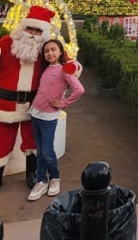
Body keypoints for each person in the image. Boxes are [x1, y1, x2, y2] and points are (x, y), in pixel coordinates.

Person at [0, 5, 65, 196]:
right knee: (0, 141)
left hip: (33, 106)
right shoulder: (7, 42)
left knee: (32, 143)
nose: (33, 34)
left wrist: (73, 68)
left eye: (37, 30)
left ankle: (31, 175)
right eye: (30, 29)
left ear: (43, 32)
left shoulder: (45, 49)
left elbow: (64, 64)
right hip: (4, 104)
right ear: (22, 28)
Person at [27, 40, 84, 202]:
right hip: (35, 113)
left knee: (47, 151)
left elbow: (79, 89)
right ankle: (41, 180)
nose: (50, 53)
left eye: (53, 50)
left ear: (60, 52)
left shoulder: (64, 71)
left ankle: (55, 177)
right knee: (39, 150)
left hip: (49, 117)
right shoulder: (46, 69)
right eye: (46, 51)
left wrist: (64, 102)